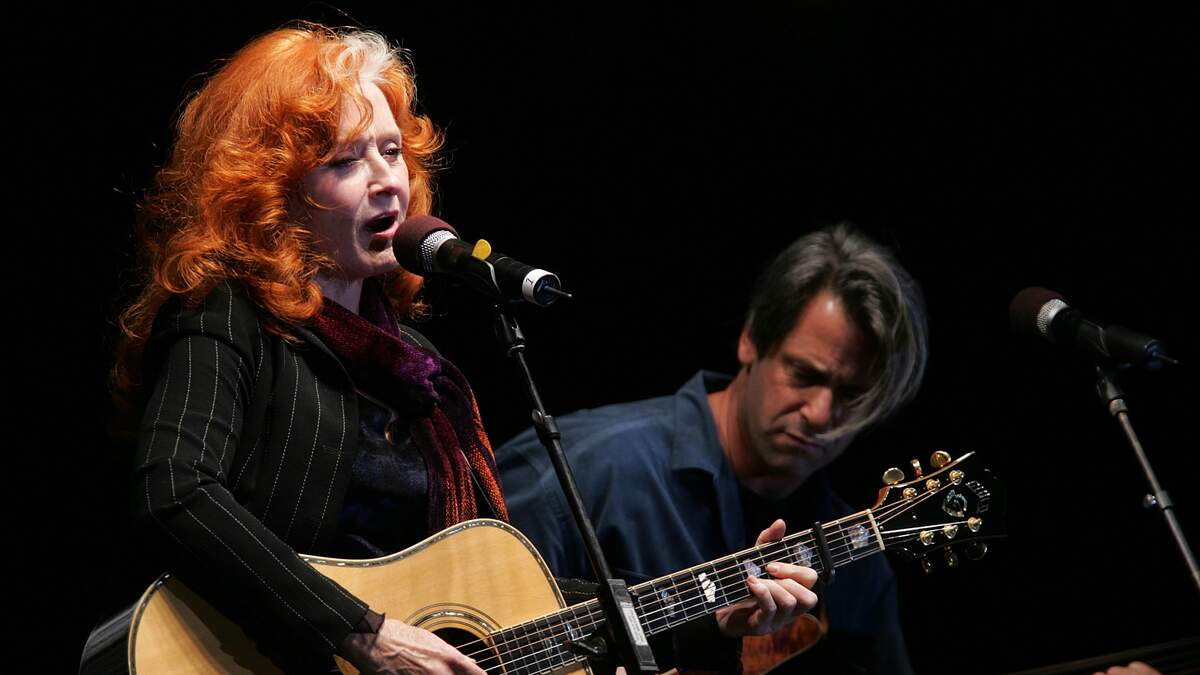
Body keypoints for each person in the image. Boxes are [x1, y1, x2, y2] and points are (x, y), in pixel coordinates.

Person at [111, 23, 505, 673]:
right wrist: (359, 631)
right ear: (271, 190)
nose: (387, 181)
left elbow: (480, 594)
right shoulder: (228, 315)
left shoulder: (418, 368)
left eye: (390, 151)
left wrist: (641, 625)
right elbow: (174, 490)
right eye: (345, 161)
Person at [498, 224, 929, 673]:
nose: (821, 413)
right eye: (804, 374)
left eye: (852, 395)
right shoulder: (580, 470)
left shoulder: (859, 561)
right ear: (750, 340)